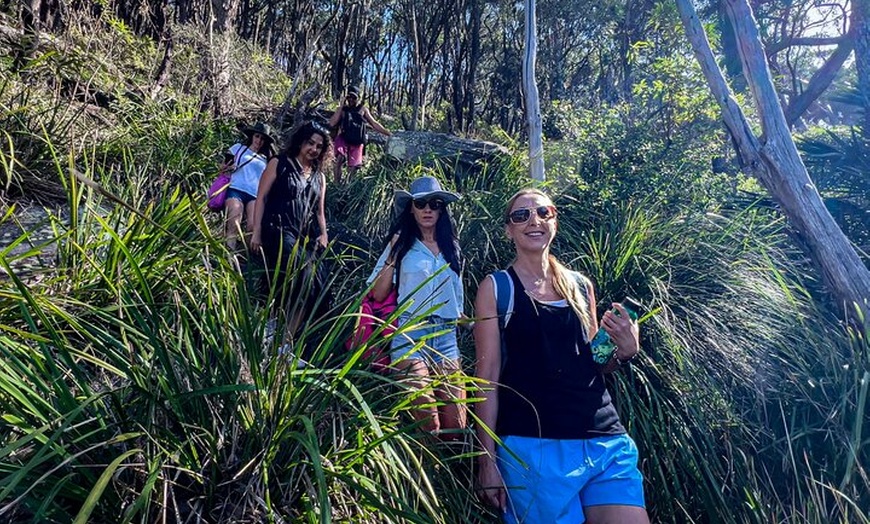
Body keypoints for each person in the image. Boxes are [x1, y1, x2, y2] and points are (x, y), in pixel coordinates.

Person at [473, 188, 650, 524]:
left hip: (604, 439)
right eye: (521, 215)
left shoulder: (581, 286)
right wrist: (487, 459)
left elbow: (595, 363)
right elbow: (487, 378)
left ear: (554, 220)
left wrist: (625, 350)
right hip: (533, 448)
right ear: (508, 229)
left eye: (543, 212)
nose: (533, 221)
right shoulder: (496, 288)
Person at [367, 176, 466, 437]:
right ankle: (424, 471)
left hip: (447, 336)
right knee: (427, 423)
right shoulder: (402, 245)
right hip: (411, 332)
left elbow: (457, 297)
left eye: (434, 204)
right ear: (411, 208)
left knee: (456, 424)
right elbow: (378, 293)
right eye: (421, 204)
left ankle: (447, 476)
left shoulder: (452, 247)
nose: (428, 210)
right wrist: (392, 252)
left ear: (442, 209)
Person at [251, 121, 332, 347]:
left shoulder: (319, 177)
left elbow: (319, 212)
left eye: (319, 146)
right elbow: (262, 197)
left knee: (317, 282)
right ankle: (269, 325)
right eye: (310, 143)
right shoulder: (279, 163)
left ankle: (285, 342)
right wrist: (256, 232)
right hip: (276, 229)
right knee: (303, 272)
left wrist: (324, 234)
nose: (313, 149)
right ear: (301, 142)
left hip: (301, 237)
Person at [223, 122, 275, 251]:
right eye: (257, 136)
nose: (259, 140)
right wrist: (228, 167)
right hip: (236, 189)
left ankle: (245, 257)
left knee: (252, 226)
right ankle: (229, 254)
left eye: (262, 139)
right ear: (252, 136)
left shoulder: (267, 159)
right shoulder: (238, 148)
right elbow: (222, 167)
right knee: (234, 222)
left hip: (254, 195)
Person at [328, 85, 392, 184]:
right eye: (349, 97)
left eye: (354, 98)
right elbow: (332, 123)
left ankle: (347, 189)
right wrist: (341, 106)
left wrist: (388, 133)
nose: (351, 100)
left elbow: (374, 123)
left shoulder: (363, 109)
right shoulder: (343, 110)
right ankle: (336, 184)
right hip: (344, 138)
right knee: (339, 159)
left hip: (357, 141)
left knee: (352, 168)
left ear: (358, 98)